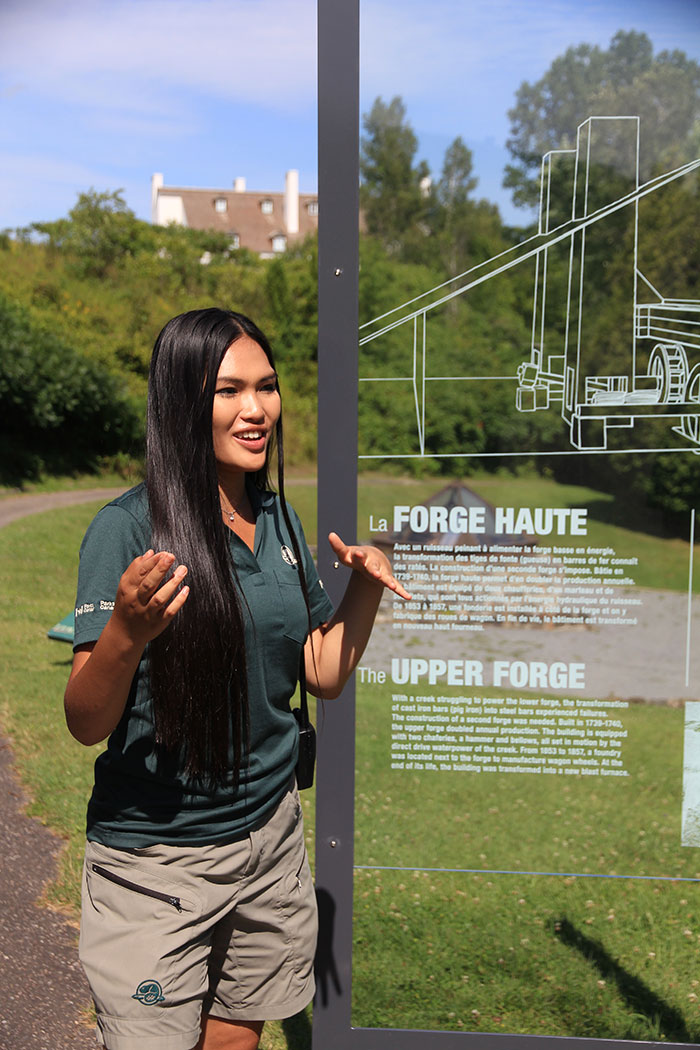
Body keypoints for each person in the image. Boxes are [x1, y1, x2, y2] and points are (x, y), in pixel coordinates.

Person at [64, 307, 410, 1050]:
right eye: (229, 391)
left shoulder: (277, 519)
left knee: (235, 1041)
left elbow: (321, 673)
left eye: (268, 387)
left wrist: (368, 587)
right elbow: (87, 721)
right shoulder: (126, 530)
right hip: (159, 861)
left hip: (271, 842)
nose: (257, 410)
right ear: (181, 403)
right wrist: (125, 631)